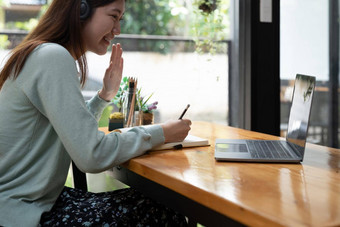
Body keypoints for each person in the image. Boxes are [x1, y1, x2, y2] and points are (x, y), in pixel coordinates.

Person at [0, 0, 191, 226]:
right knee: (165, 210)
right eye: (113, 16)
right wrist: (161, 133)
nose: (118, 30)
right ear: (81, 10)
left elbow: (74, 132)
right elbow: (91, 155)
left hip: (32, 202)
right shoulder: (52, 57)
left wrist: (104, 95)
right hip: (20, 212)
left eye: (120, 19)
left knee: (161, 203)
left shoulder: (44, 53)